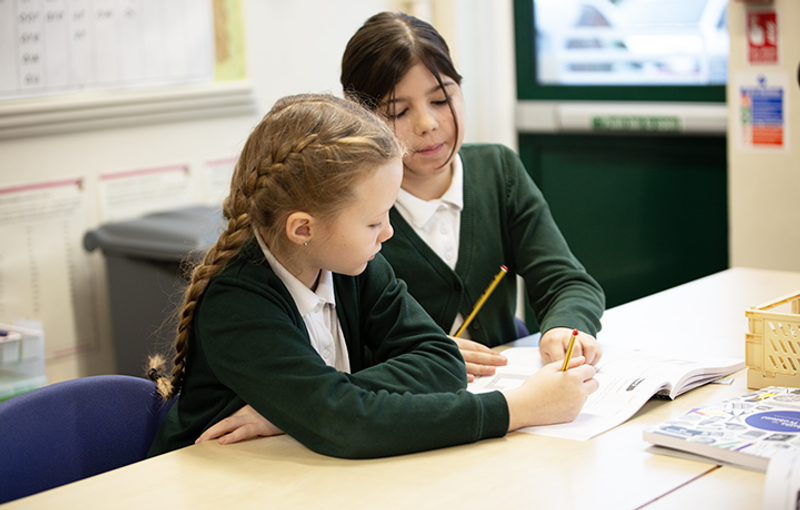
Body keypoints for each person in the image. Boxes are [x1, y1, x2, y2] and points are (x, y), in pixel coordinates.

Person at [146, 93, 598, 458]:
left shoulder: (352, 262)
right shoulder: (238, 302)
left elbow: (441, 361)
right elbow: (350, 424)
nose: (388, 232)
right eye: (373, 221)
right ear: (303, 229)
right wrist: (516, 409)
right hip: (210, 493)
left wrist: (299, 410)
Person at [339, 12, 605, 378]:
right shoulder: (349, 205)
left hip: (511, 385)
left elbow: (566, 281)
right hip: (415, 399)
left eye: (441, 99)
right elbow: (349, 346)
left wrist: (564, 327)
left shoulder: (497, 170)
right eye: (399, 111)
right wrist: (425, 358)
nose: (427, 124)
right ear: (361, 119)